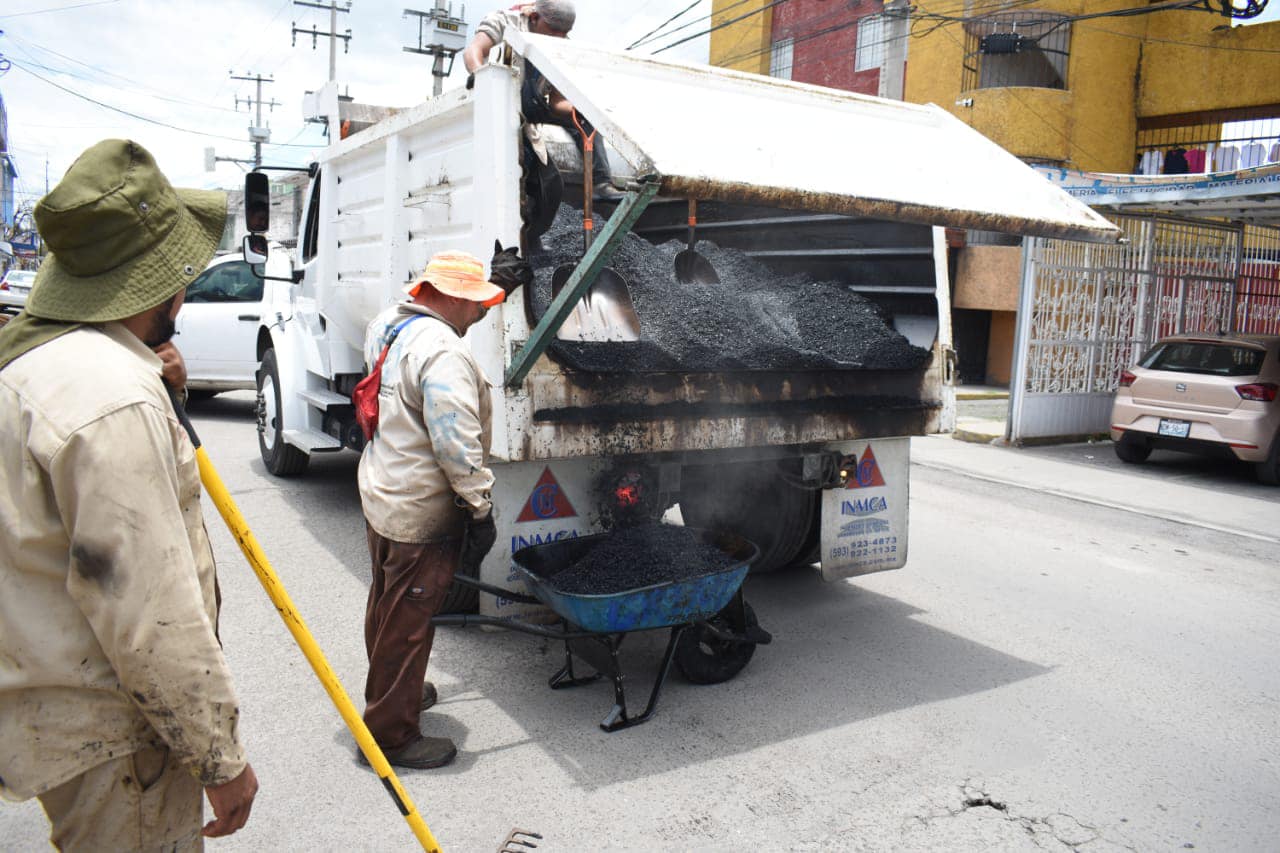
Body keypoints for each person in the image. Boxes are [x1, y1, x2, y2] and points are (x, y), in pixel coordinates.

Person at [0, 139, 258, 851]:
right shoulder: (114, 399)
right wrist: (219, 757)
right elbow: (150, 612)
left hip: (58, 708)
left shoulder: (41, 364)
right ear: (163, 282)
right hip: (116, 737)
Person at [358, 245, 531, 770]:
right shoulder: (444, 355)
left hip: (383, 491)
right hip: (421, 512)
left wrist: (495, 287)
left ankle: (395, 689)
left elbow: (442, 338)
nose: (481, 311)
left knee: (387, 607)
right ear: (451, 298)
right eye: (476, 302)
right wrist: (479, 507)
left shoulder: (390, 324)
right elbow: (455, 442)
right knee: (410, 621)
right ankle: (391, 737)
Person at [463, 0, 623, 201]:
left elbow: (556, 101)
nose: (559, 36)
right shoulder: (505, 21)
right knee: (522, 156)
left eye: (564, 32)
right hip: (501, 101)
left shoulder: (562, 44)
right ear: (534, 17)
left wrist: (583, 109)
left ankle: (601, 183)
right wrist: (481, 76)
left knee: (587, 119)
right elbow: (473, 52)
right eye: (554, 29)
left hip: (535, 104)